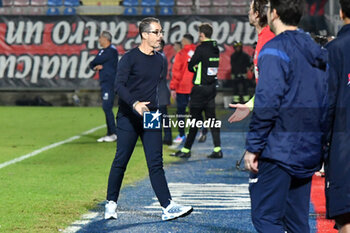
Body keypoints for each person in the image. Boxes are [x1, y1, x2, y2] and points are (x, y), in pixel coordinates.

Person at [244, 0, 329, 232]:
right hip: (309, 146)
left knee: (265, 217)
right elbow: (326, 99)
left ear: (274, 13)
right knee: (296, 221)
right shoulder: (316, 50)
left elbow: (268, 102)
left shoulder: (274, 49)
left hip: (279, 147)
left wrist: (253, 147)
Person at [104, 17, 192, 221]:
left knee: (155, 162)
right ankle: (111, 203)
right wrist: (135, 104)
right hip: (128, 116)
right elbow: (119, 86)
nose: (161, 36)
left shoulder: (161, 59)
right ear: (144, 34)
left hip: (151, 115)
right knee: (121, 161)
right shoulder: (129, 58)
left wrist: (159, 108)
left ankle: (167, 206)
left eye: (161, 32)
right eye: (157, 32)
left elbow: (156, 87)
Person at [173, 23, 222, 159]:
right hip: (211, 88)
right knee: (212, 120)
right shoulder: (215, 48)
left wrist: (195, 67)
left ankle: (186, 149)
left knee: (194, 120)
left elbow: (190, 65)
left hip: (199, 89)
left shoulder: (201, 49)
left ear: (201, 34)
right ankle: (217, 149)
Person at [325, 0, 350, 231]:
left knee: (346, 214)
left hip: (344, 145)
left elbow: (328, 103)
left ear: (342, 13)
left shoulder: (336, 49)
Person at [228, 0, 275, 123]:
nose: (248, 12)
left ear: (257, 14)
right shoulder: (264, 38)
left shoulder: (270, 41)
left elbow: (275, 84)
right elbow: (266, 84)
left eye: (250, 9)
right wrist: (250, 105)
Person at [89, 31, 118, 142]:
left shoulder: (111, 51)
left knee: (107, 107)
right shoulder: (103, 51)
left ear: (106, 39)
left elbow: (95, 62)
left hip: (110, 83)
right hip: (105, 82)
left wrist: (96, 65)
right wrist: (96, 66)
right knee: (107, 107)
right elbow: (93, 64)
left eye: (100, 38)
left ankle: (113, 133)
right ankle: (111, 133)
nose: (99, 40)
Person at [169, 34, 196, 144]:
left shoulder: (181, 54)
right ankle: (196, 131)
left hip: (182, 87)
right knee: (195, 111)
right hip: (195, 86)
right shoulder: (198, 52)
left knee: (181, 112)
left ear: (185, 41)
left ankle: (181, 134)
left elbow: (177, 72)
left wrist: (173, 87)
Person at [156, 40, 173, 145]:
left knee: (160, 116)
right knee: (162, 117)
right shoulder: (160, 57)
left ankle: (165, 137)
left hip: (159, 92)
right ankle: (166, 137)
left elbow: (158, 75)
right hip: (159, 92)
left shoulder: (160, 58)